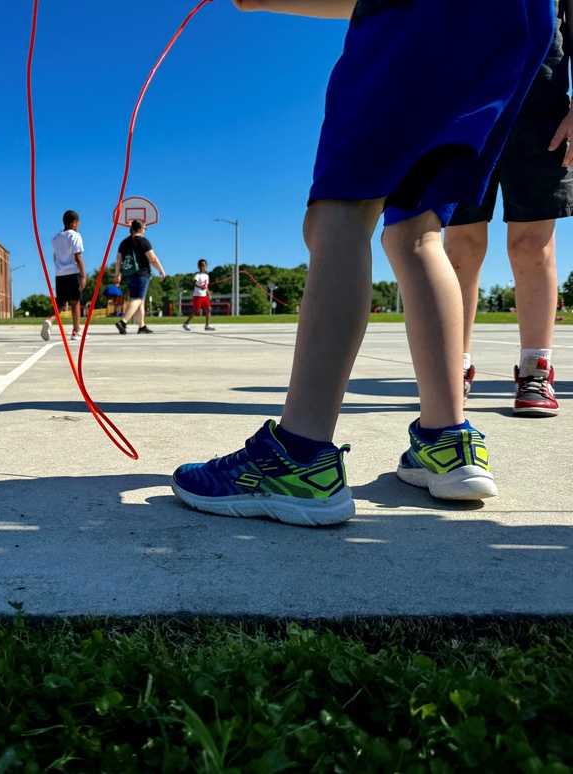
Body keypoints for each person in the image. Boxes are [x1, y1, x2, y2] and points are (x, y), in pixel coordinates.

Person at [171, 0, 554, 527]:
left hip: (421, 13)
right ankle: (447, 442)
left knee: (340, 212)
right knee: (417, 231)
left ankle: (298, 457)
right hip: (516, 20)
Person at [444, 0, 571, 418]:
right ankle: (452, 368)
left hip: (540, 110)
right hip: (460, 107)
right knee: (458, 249)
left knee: (532, 246)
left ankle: (536, 369)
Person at [113, 220, 166, 335]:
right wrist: (161, 270)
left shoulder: (124, 242)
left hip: (127, 274)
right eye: (145, 228)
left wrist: (117, 274)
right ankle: (123, 322)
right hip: (141, 273)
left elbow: (119, 259)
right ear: (141, 229)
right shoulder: (143, 241)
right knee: (138, 299)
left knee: (140, 301)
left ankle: (141, 326)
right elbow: (153, 259)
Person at [41, 210, 87, 342]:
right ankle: (76, 331)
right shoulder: (75, 236)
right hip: (72, 272)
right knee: (75, 302)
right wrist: (83, 275)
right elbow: (78, 257)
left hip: (60, 274)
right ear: (74, 223)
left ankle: (50, 320)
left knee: (61, 303)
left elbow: (55, 257)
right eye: (78, 223)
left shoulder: (55, 238)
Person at [183, 259, 215, 331]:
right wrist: (200, 287)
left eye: (203, 266)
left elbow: (206, 286)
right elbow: (194, 283)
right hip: (197, 296)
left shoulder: (206, 276)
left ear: (206, 266)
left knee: (208, 309)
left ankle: (207, 325)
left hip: (204, 296)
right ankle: (186, 323)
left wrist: (208, 294)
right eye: (200, 266)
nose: (202, 267)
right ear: (198, 267)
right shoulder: (197, 275)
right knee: (196, 310)